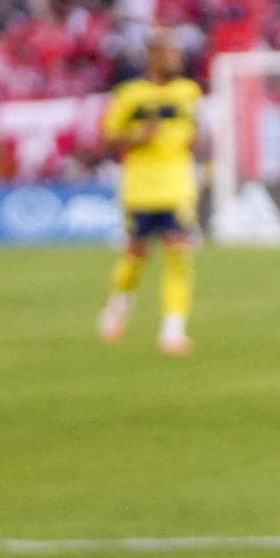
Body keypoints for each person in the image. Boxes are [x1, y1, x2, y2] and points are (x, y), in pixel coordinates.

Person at [98, 29, 203, 357]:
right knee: (136, 253)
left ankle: (174, 328)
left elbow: (193, 131)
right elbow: (108, 135)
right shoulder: (130, 94)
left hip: (177, 185)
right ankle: (120, 302)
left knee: (178, 251)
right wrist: (136, 136)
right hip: (141, 187)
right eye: (171, 53)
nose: (177, 59)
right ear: (154, 56)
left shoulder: (188, 91)